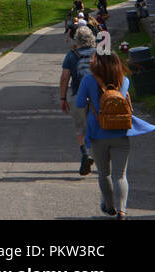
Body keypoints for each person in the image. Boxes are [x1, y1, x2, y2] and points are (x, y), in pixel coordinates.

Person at [76, 52, 155, 219]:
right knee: (120, 175)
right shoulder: (124, 80)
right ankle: (122, 210)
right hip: (121, 132)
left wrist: (92, 100)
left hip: (98, 134)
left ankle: (109, 205)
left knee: (104, 173)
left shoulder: (89, 80)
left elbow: (79, 103)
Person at [60, 26, 97, 176]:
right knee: (97, 127)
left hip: (78, 96)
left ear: (77, 40)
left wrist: (63, 98)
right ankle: (98, 156)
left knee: (80, 128)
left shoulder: (71, 55)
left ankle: (85, 154)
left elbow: (64, 78)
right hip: (97, 98)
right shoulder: (99, 53)